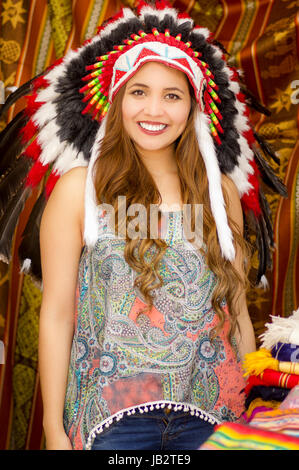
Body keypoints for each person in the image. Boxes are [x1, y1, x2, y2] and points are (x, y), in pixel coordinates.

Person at [0, 0, 287, 451]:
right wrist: (53, 430)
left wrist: (253, 409)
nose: (154, 109)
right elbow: (56, 316)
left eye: (172, 95)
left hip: (215, 413)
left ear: (193, 105)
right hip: (113, 419)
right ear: (117, 99)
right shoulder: (81, 190)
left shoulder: (219, 194)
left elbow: (236, 312)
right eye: (138, 91)